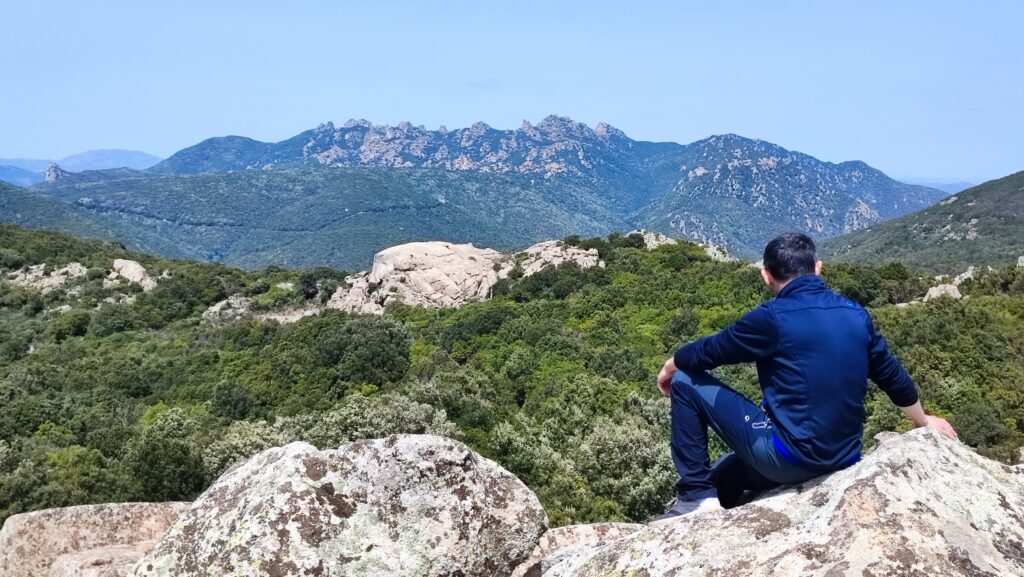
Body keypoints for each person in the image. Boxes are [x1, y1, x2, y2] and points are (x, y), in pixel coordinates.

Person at [654, 232, 957, 520]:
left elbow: (710, 350)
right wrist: (923, 420)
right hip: (844, 456)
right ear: (818, 268)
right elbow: (891, 375)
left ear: (766, 275)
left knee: (685, 381)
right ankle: (710, 497)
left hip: (792, 457)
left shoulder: (772, 318)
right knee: (722, 477)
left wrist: (672, 365)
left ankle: (695, 498)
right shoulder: (855, 314)